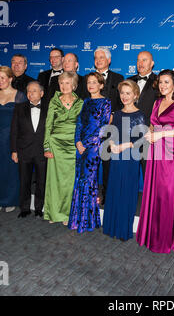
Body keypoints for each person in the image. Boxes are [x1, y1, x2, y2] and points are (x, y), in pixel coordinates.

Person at [136, 69, 174, 254]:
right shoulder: (157, 102)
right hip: (155, 151)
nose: (162, 86)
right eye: (160, 82)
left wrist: (161, 133)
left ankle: (169, 235)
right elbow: (153, 124)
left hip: (172, 154)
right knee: (155, 192)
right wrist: (151, 132)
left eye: (167, 82)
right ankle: (153, 233)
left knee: (168, 193)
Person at [103, 80, 146, 241]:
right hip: (116, 156)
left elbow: (143, 140)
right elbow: (111, 133)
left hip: (130, 158)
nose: (124, 96)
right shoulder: (117, 114)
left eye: (128, 93)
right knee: (114, 189)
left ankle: (122, 229)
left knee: (127, 192)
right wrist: (113, 143)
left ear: (135, 95)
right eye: (122, 93)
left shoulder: (139, 115)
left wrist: (125, 145)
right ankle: (112, 226)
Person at [68, 72, 111, 232]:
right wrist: (77, 141)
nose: (91, 85)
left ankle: (87, 221)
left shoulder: (106, 102)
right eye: (88, 82)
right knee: (79, 179)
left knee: (89, 180)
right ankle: (77, 218)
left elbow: (104, 126)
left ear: (101, 85)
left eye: (94, 82)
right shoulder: (85, 101)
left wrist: (88, 144)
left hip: (93, 148)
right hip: (81, 146)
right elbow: (79, 123)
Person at [0, 66, 26, 213]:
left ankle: (10, 200)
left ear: (10, 79)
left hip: (13, 138)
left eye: (3, 78)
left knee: (12, 170)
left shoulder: (20, 96)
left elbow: (24, 121)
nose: (0, 81)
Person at [43, 72, 84, 224]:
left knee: (69, 181)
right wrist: (46, 147)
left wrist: (80, 144)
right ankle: (54, 213)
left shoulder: (80, 103)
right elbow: (48, 125)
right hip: (55, 145)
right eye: (62, 83)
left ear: (74, 85)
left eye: (68, 83)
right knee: (54, 181)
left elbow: (82, 126)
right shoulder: (54, 102)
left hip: (73, 145)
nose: (64, 86)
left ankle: (67, 214)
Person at [10, 81, 48, 218]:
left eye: (34, 91)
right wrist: (14, 150)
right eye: (28, 91)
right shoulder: (19, 108)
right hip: (24, 150)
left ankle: (39, 208)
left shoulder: (49, 108)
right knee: (24, 180)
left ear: (42, 93)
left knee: (41, 181)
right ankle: (24, 208)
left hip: (42, 151)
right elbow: (14, 130)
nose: (30, 94)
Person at [93, 47, 124, 206]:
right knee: (90, 166)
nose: (98, 60)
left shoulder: (118, 78)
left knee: (107, 166)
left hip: (110, 130)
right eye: (96, 57)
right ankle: (88, 196)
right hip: (91, 131)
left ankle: (106, 196)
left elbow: (121, 104)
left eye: (102, 57)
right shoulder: (88, 79)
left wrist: (111, 116)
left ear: (109, 60)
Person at [128, 51, 158, 126]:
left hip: (147, 126)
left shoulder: (158, 81)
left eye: (144, 60)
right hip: (127, 124)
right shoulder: (129, 80)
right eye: (138, 60)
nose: (140, 63)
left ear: (152, 64)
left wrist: (153, 125)